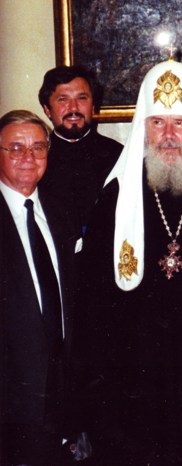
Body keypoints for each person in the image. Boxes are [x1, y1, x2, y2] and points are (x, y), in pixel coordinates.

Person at [73, 60, 182, 465]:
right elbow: (92, 299)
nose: (169, 135)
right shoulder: (115, 196)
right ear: (143, 128)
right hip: (135, 373)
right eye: (158, 123)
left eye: (180, 123)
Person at [0, 110, 78, 465]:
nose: (28, 157)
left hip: (61, 391)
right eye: (16, 148)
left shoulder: (60, 210)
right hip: (10, 397)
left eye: (38, 147)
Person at [38, 65, 123, 234]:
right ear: (47, 110)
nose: (73, 108)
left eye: (82, 98)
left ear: (93, 106)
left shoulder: (118, 155)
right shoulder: (36, 158)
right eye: (63, 99)